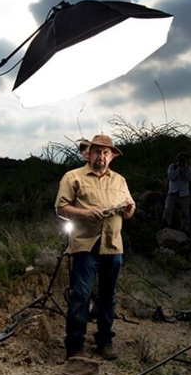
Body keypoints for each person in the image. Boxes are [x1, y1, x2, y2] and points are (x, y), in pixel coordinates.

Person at [55, 134, 135, 360]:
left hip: (112, 244)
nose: (101, 156)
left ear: (111, 156)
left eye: (106, 152)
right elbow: (60, 208)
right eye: (97, 151)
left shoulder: (119, 180)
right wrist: (85, 213)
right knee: (81, 295)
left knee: (108, 296)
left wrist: (130, 208)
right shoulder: (73, 177)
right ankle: (75, 346)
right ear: (88, 153)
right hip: (85, 244)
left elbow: (129, 210)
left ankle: (105, 342)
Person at [162, 152, 191, 233]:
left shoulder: (188, 169)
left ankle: (186, 229)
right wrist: (179, 169)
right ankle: (165, 226)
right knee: (168, 210)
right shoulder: (172, 167)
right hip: (172, 193)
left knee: (185, 213)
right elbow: (171, 177)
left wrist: (186, 169)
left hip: (184, 194)